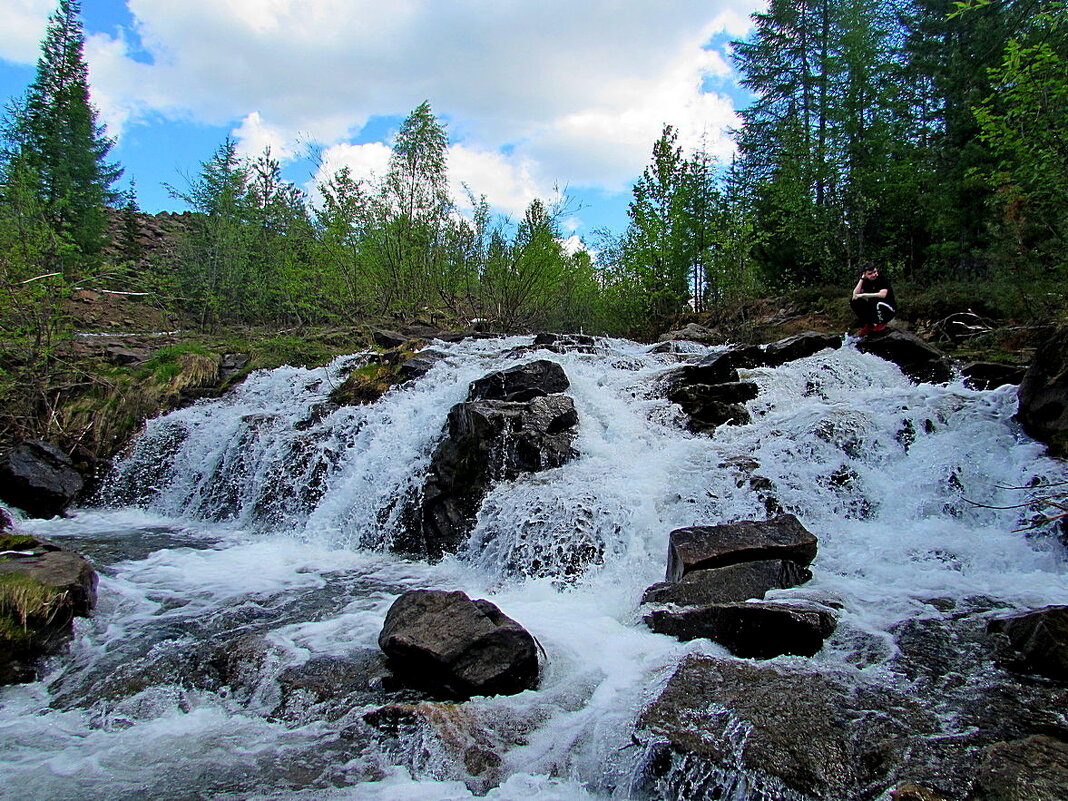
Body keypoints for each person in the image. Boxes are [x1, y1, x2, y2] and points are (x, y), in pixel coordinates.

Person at [850, 262, 896, 336]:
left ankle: (881, 324)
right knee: (854, 301)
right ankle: (870, 324)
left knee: (877, 302)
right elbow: (855, 295)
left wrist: (864, 295)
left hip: (887, 308)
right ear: (865, 274)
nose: (874, 275)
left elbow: (882, 294)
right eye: (870, 274)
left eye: (875, 272)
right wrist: (862, 279)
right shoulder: (866, 281)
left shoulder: (882, 279)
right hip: (874, 307)